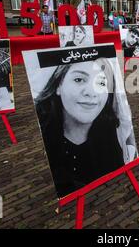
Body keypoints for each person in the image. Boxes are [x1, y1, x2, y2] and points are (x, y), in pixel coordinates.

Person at [35, 58, 134, 197]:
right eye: (79, 80)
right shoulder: (44, 136)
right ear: (58, 85)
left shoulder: (116, 131)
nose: (91, 92)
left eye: (100, 83)